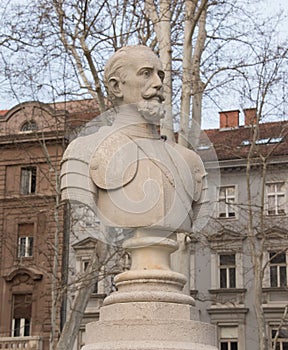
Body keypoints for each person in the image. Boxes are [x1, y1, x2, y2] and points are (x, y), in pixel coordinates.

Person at [61, 45, 207, 241]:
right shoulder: (84, 152)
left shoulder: (190, 161)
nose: (158, 84)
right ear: (116, 87)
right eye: (146, 73)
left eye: (160, 76)